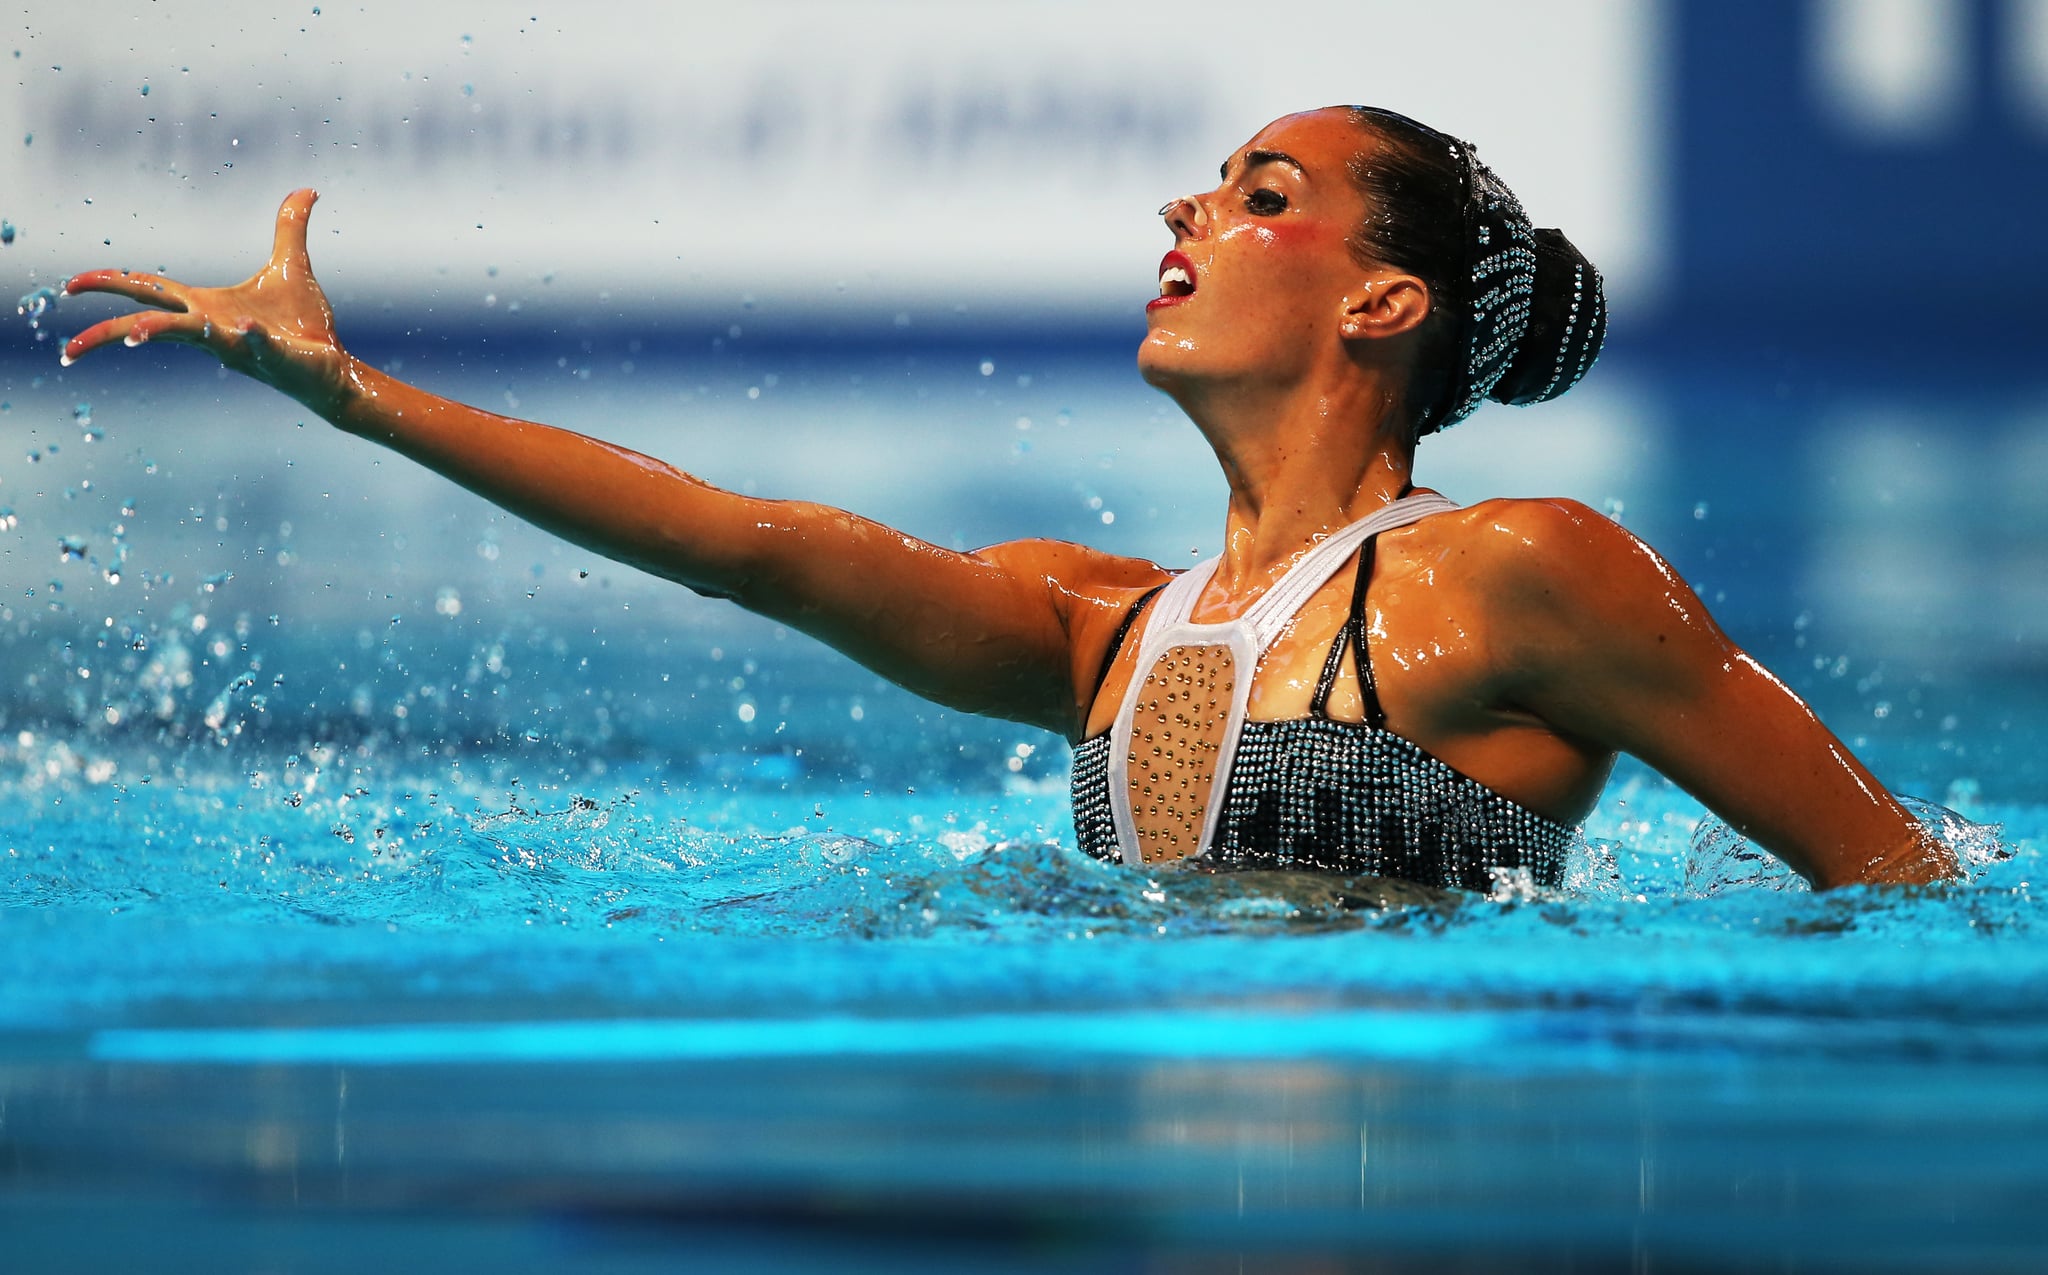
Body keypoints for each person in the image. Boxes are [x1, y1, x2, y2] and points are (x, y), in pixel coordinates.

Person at [60, 105, 1957, 892]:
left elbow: (1895, 889)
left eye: (1259, 195)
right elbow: (750, 547)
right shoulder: (1103, 631)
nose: (1187, 215)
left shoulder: (1525, 573)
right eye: (1210, 188)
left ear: (1384, 304)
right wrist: (356, 397)